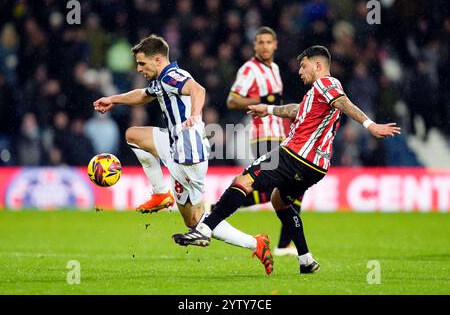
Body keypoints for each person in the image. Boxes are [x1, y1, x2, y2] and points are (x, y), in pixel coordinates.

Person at [172, 45, 401, 274]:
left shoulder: (326, 83)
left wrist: (370, 125)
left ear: (318, 65)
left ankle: (204, 229)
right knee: (279, 201)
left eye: (303, 66)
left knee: (243, 181)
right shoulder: (318, 94)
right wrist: (268, 109)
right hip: (316, 167)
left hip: (294, 154)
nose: (300, 72)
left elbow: (344, 103)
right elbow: (297, 110)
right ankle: (306, 260)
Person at [92, 34, 274, 275]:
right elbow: (144, 94)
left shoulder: (172, 76)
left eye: (142, 63)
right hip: (174, 144)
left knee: (196, 221)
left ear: (158, 60)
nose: (139, 68)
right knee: (133, 135)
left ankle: (255, 243)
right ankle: (160, 194)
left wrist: (196, 114)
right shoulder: (161, 79)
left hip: (189, 156)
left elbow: (198, 89)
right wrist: (114, 100)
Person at [226, 26, 299, 257]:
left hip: (280, 135)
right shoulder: (249, 69)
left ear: (275, 44)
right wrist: (263, 99)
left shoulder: (275, 68)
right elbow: (232, 101)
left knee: (293, 189)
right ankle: (218, 209)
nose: (265, 46)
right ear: (255, 45)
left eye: (269, 42)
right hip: (262, 135)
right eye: (260, 42)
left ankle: (283, 245)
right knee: (270, 189)